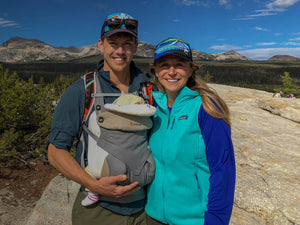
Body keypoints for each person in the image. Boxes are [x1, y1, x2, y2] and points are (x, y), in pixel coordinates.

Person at [47, 12, 156, 225]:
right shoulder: (82, 90)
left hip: (146, 209)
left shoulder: (149, 89)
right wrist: (93, 185)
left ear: (135, 47)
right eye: (113, 42)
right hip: (99, 212)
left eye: (127, 43)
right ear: (101, 45)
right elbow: (55, 150)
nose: (120, 50)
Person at [145, 38, 236, 225]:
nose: (171, 71)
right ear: (155, 70)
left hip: (194, 219)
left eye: (179, 64)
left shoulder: (207, 108)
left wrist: (216, 220)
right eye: (164, 65)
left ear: (191, 69)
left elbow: (222, 169)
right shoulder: (152, 107)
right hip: (152, 215)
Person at [81, 94, 156, 206]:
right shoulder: (145, 121)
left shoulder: (108, 118)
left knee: (91, 170)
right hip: (144, 174)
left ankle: (92, 194)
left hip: (110, 172)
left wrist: (93, 185)